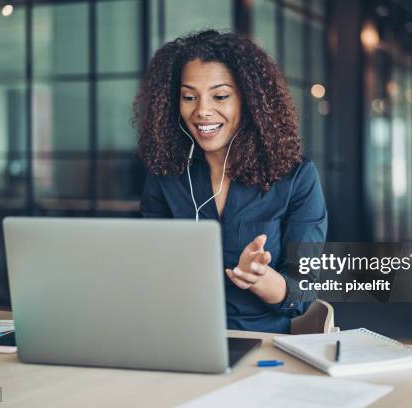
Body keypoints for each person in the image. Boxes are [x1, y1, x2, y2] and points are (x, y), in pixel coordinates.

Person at [135, 29, 327, 333]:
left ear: (249, 101)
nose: (202, 111)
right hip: (177, 335)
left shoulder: (296, 177)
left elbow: (303, 291)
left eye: (220, 96)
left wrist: (260, 279)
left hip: (260, 342)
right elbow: (147, 269)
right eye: (189, 97)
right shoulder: (165, 175)